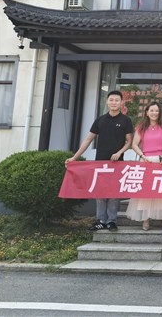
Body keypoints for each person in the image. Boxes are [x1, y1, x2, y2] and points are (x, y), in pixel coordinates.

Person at [66, 90, 133, 232]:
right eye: (111, 100)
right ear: (107, 102)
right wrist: (74, 157)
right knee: (100, 192)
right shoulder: (100, 120)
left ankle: (111, 221)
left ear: (121, 103)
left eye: (117, 100)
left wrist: (119, 152)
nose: (114, 102)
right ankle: (101, 220)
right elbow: (88, 140)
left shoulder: (125, 120)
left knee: (113, 193)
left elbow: (129, 141)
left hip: (117, 163)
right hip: (100, 163)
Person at [126, 102, 162, 231]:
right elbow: (134, 144)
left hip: (161, 160)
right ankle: (146, 218)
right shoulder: (141, 127)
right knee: (146, 191)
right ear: (147, 112)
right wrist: (142, 156)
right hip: (146, 161)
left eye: (156, 111)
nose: (154, 113)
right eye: (152, 110)